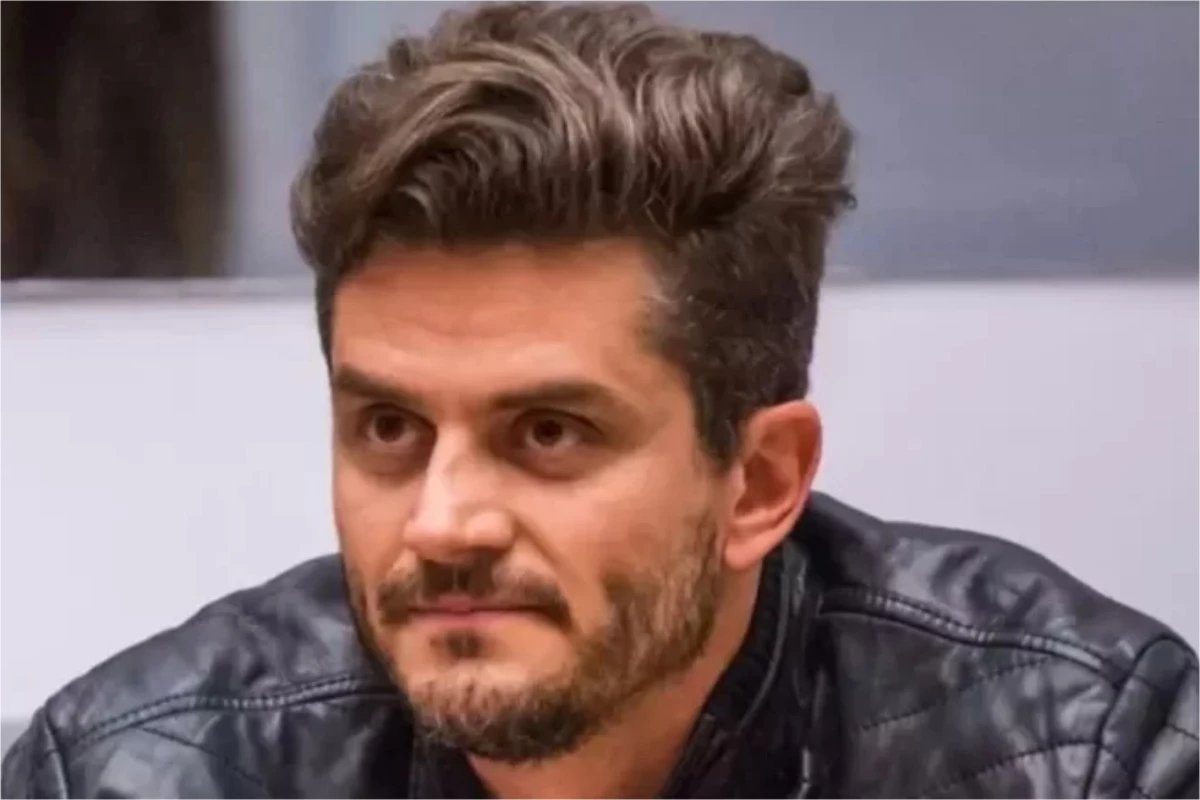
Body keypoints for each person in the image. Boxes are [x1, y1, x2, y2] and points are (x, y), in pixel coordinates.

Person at [3, 2, 1196, 797]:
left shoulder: (1086, 754)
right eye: (389, 428)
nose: (442, 523)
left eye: (548, 432)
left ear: (760, 480)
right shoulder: (140, 772)